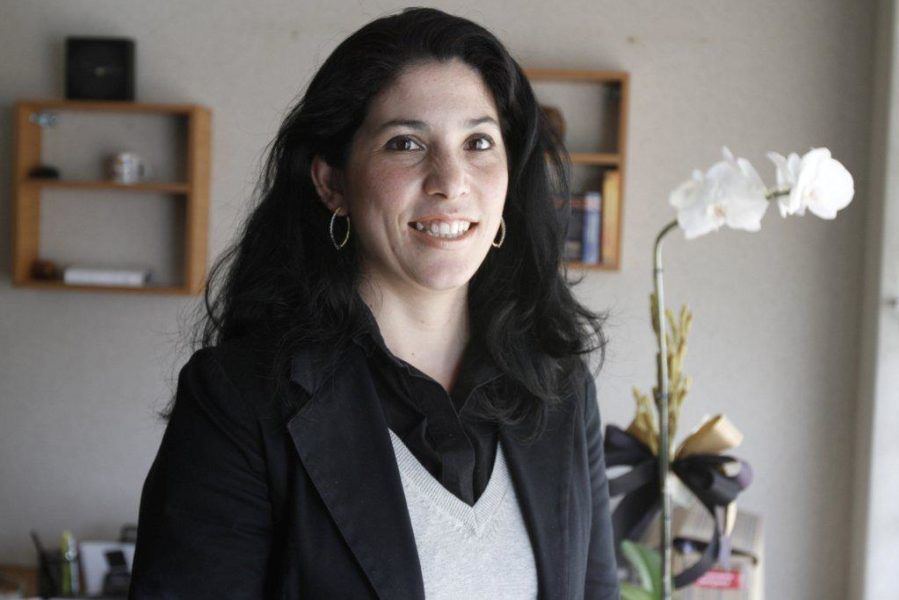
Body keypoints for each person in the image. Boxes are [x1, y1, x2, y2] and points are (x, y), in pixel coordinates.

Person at [129, 6, 619, 599]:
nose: (451, 181)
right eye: (405, 143)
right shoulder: (238, 399)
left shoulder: (561, 387)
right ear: (332, 182)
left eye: (478, 142)